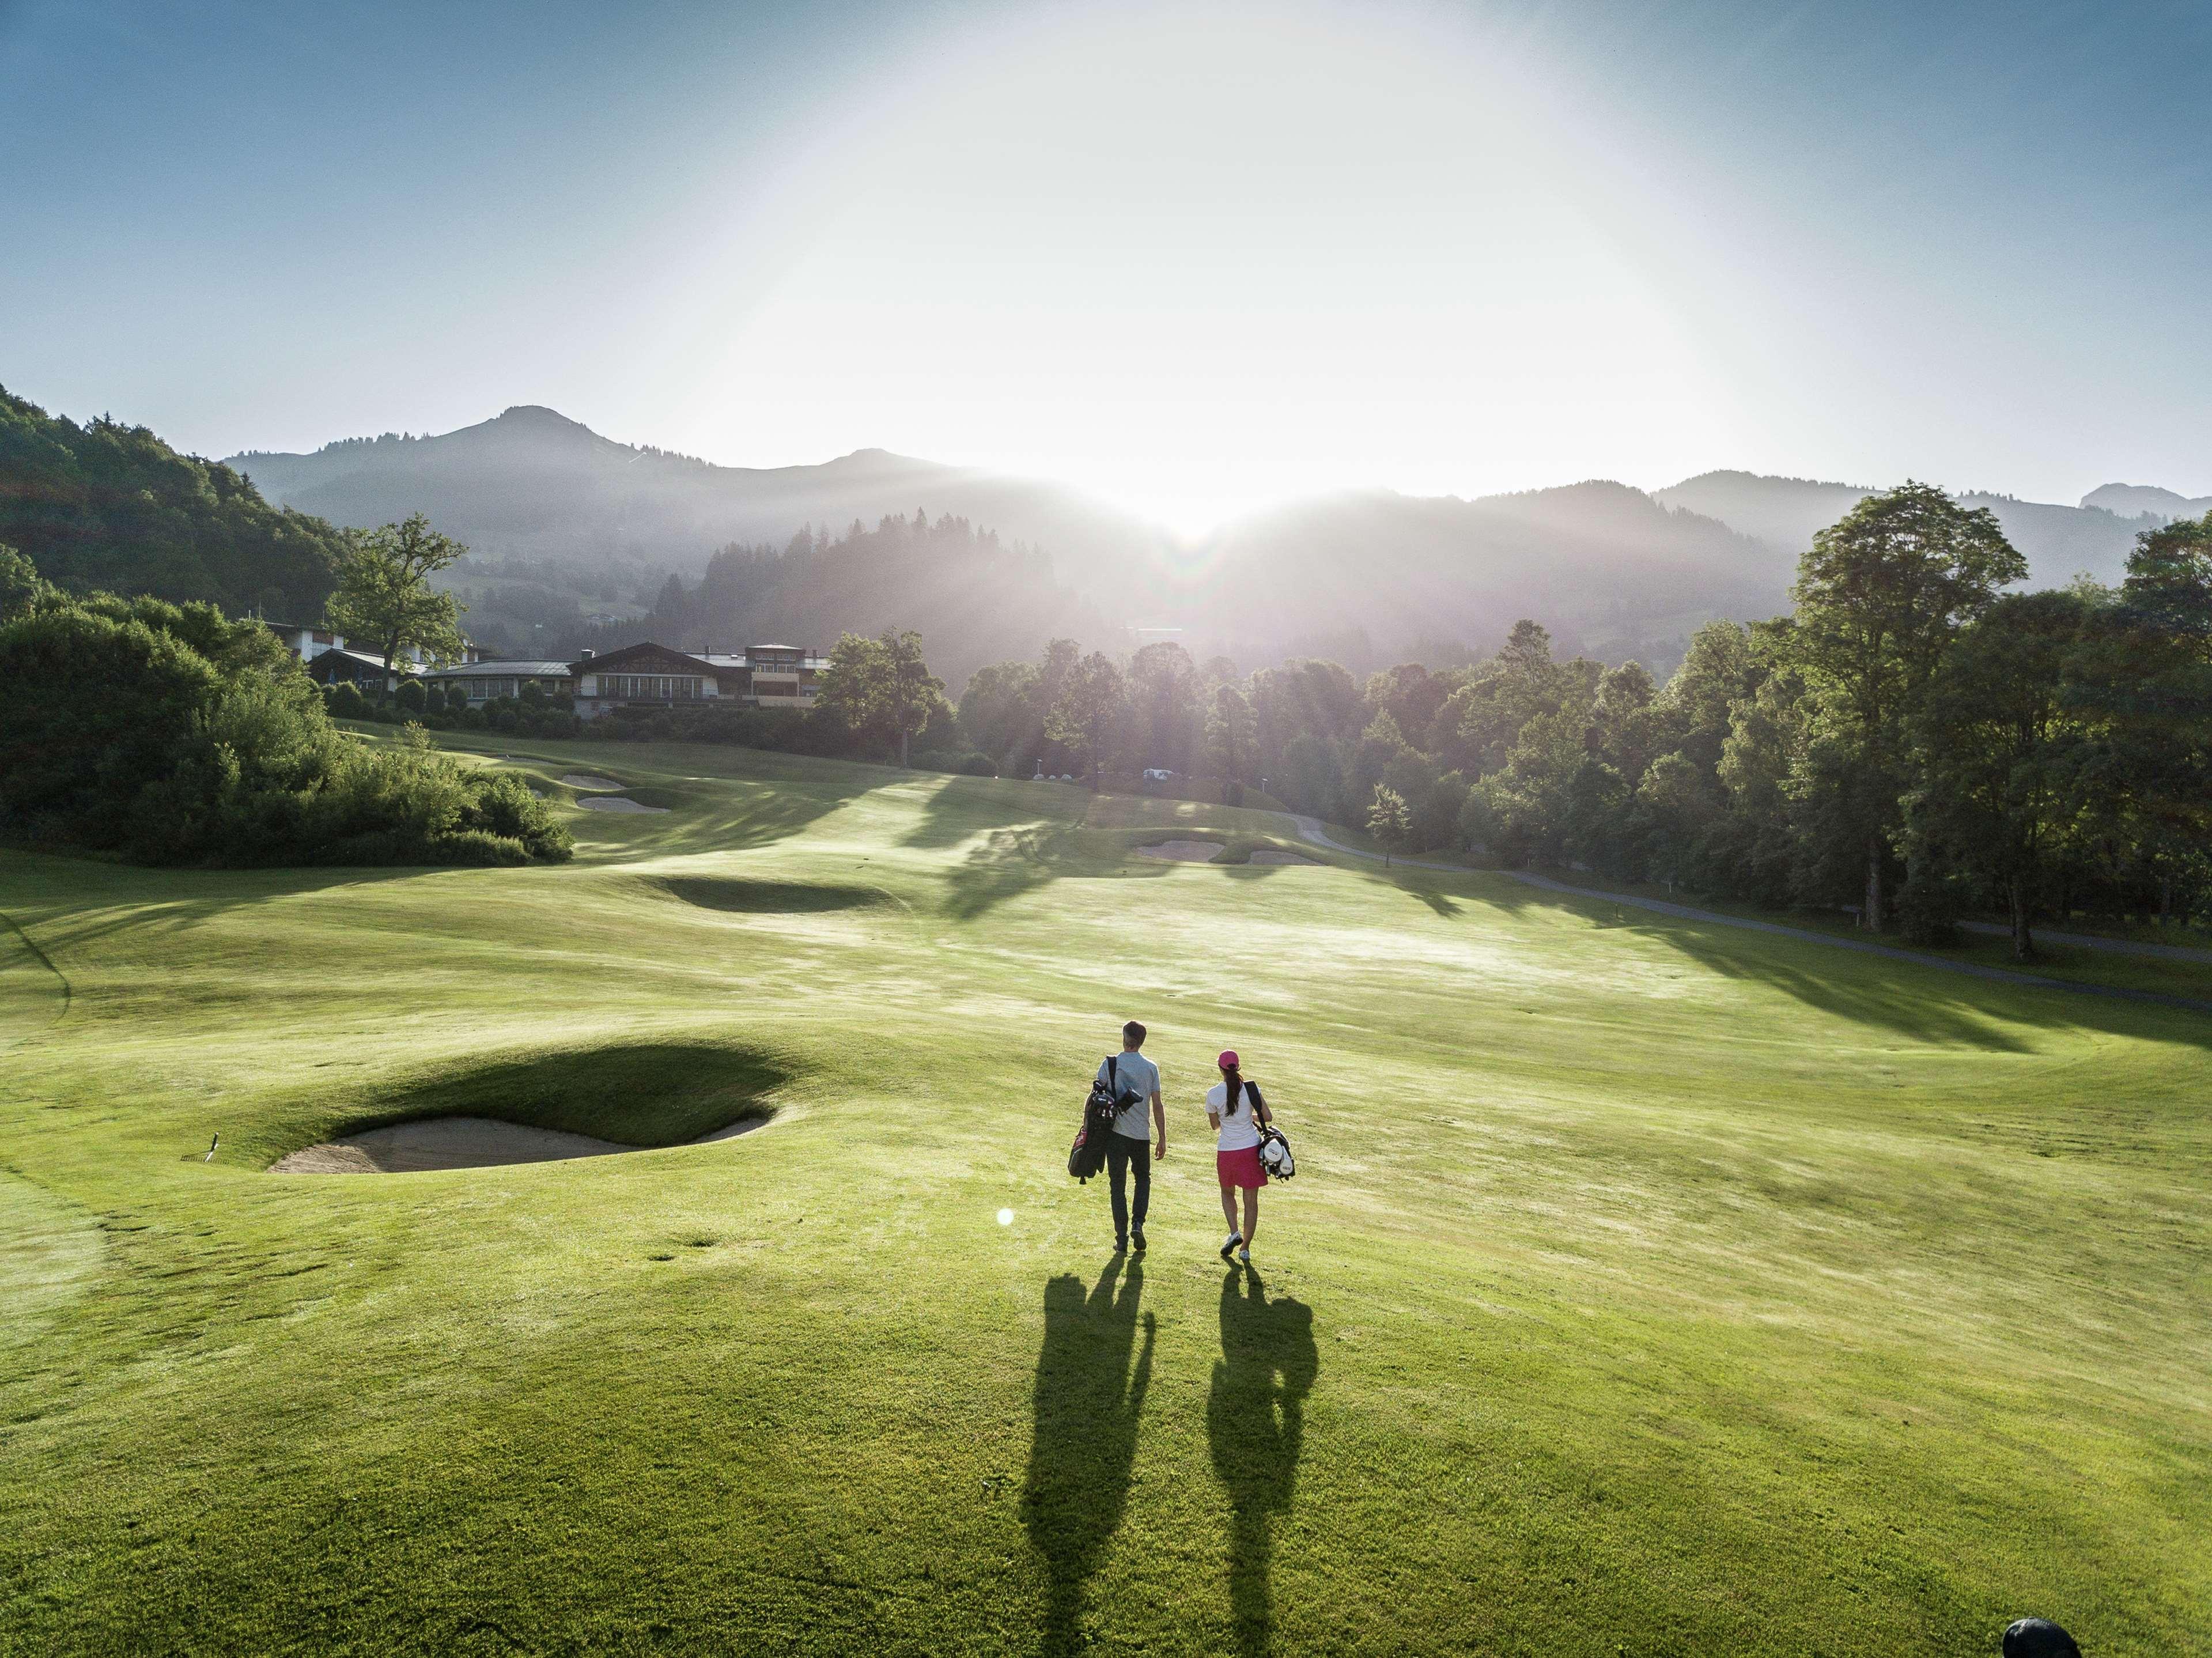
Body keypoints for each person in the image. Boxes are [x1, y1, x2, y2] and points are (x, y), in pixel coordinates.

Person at [1096, 1020, 1166, 1253]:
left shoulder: (1109, 1064)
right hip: (1141, 1136)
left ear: (1125, 1039)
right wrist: (1162, 1138)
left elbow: (1097, 1097)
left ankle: (1121, 1238)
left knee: (1118, 1185)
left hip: (1115, 1134)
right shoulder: (1150, 1068)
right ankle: (1138, 1223)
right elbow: (1157, 1105)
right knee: (1142, 1179)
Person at [1207, 1049, 1269, 1264]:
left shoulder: (1214, 1094)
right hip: (1251, 1149)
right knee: (1251, 1201)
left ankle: (1234, 1232)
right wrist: (1248, 1116)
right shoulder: (1251, 1089)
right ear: (1238, 1066)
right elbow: (1267, 1117)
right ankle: (1245, 1248)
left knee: (1227, 1193)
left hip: (1227, 1151)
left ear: (1220, 1069)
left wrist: (1229, 1118)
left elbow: (1215, 1126)